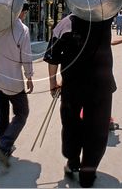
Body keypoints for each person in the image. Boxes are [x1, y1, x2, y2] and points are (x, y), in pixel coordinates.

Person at [45, 13, 116, 188]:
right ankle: (86, 171)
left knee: (71, 124)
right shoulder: (105, 19)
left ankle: (74, 161)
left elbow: (53, 55)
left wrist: (53, 83)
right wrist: (54, 82)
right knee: (96, 128)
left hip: (77, 85)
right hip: (97, 85)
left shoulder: (65, 23)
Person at [0, 7, 34, 167]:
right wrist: (29, 76)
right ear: (20, 12)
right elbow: (26, 56)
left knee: (2, 112)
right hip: (12, 80)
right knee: (22, 113)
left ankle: (4, 146)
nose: (25, 15)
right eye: (25, 11)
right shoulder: (22, 29)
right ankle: (4, 144)